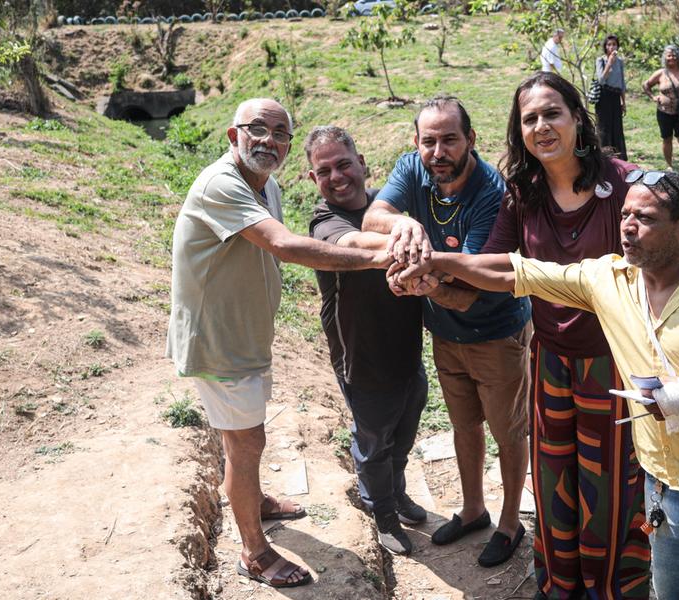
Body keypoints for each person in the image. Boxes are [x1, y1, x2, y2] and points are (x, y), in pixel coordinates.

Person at [389, 170, 679, 600]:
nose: (627, 226)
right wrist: (434, 261)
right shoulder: (609, 279)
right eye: (624, 214)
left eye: (644, 217)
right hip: (663, 489)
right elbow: (513, 272)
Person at [166, 99, 391, 589]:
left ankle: (257, 500)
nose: (269, 139)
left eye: (281, 133)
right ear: (233, 135)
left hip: (245, 334)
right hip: (219, 339)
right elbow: (286, 247)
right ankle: (254, 549)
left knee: (243, 435)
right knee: (247, 441)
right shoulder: (221, 184)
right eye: (257, 129)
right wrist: (379, 260)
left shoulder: (267, 186)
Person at [486, 71, 649, 600]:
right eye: (529, 119)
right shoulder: (522, 194)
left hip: (616, 364)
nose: (542, 126)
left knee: (609, 486)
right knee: (554, 477)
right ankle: (560, 586)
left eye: (552, 113)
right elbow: (493, 265)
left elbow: (668, 258)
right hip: (552, 360)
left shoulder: (625, 185)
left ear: (578, 117)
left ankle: (614, 589)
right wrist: (432, 271)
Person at [361, 95, 533, 568]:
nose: (438, 152)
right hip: (446, 333)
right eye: (428, 141)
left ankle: (510, 523)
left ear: (471, 140)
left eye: (449, 140)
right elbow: (373, 217)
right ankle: (474, 509)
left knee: (508, 430)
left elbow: (468, 289)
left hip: (495, 332)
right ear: (417, 143)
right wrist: (407, 224)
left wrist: (414, 277)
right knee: (463, 425)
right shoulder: (411, 168)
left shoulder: (491, 194)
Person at [304, 126, 434, 557]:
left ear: (363, 164)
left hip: (406, 351)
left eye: (343, 164)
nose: (337, 176)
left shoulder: (388, 206)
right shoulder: (325, 222)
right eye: (324, 171)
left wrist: (404, 223)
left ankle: (395, 493)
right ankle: (382, 514)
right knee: (373, 442)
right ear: (312, 180)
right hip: (361, 358)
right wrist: (408, 235)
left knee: (406, 429)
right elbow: (355, 243)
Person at [642, 45, 679, 178]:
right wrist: (653, 97)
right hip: (664, 112)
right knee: (666, 139)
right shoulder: (660, 73)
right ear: (665, 58)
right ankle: (669, 166)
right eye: (669, 55)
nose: (672, 58)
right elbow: (646, 85)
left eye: (674, 55)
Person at [594, 34, 627, 160]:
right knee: (604, 126)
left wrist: (623, 102)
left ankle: (618, 156)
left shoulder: (620, 62)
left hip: (615, 96)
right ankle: (603, 155)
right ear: (605, 47)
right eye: (609, 44)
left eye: (614, 44)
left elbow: (622, 83)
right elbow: (601, 80)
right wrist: (609, 63)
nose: (612, 47)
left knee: (616, 127)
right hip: (604, 96)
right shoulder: (600, 60)